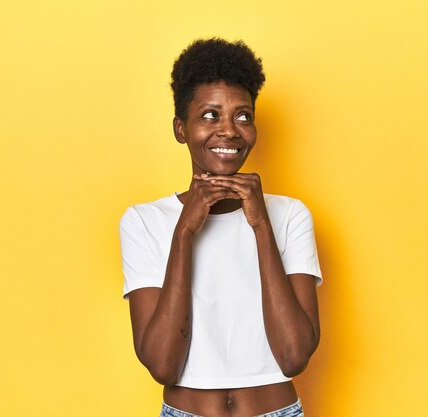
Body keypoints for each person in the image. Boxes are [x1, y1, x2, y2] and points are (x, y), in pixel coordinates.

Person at [119, 38, 322, 417]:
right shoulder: (143, 222)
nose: (229, 130)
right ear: (181, 128)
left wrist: (261, 225)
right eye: (210, 115)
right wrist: (184, 233)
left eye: (242, 116)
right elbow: (163, 366)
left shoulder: (291, 215)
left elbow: (294, 357)